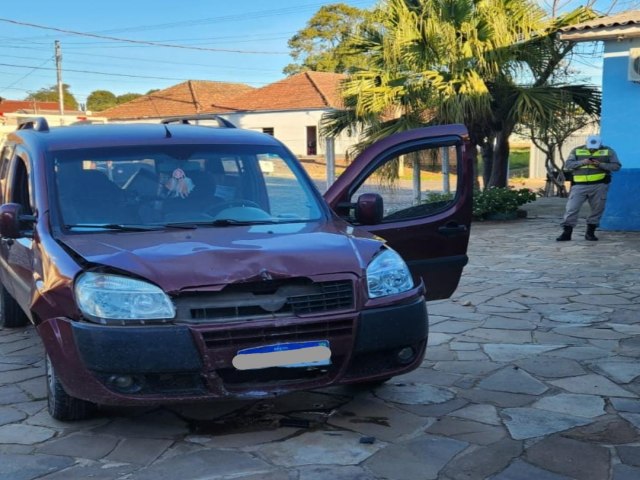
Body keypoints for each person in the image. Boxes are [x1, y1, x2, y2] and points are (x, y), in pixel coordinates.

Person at [557, 134, 621, 241]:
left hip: (599, 185)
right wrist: (583, 162)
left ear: (600, 144)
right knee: (571, 208)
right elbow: (568, 164)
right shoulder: (577, 150)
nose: (592, 149)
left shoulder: (608, 151)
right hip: (579, 186)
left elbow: (616, 166)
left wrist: (600, 164)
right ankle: (567, 232)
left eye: (595, 147)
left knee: (597, 209)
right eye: (590, 146)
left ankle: (590, 232)